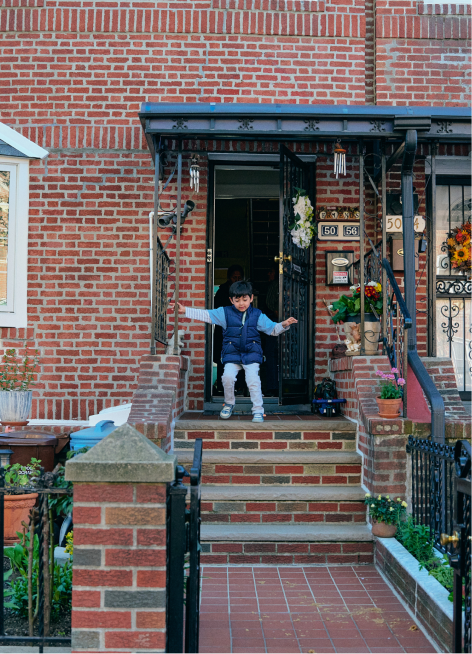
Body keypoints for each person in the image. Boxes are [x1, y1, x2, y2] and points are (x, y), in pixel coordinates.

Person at [170, 280, 297, 423]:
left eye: (245, 300)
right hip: (233, 354)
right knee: (227, 378)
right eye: (237, 300)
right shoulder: (225, 313)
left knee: (253, 381)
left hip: (251, 354)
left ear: (251, 298)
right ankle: (229, 403)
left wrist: (284, 324)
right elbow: (206, 315)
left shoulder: (257, 315)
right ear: (231, 300)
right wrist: (185, 310)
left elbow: (272, 329)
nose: (241, 303)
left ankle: (258, 410)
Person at [213, 264, 244, 395]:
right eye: (234, 277)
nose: (236, 280)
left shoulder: (244, 291)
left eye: (239, 277)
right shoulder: (222, 291)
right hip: (224, 330)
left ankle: (240, 387)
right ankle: (222, 387)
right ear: (229, 278)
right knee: (223, 357)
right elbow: (216, 309)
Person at [264, 263, 279, 396]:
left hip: (274, 321)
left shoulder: (274, 286)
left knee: (270, 354)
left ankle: (272, 387)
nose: (268, 274)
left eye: (271, 271)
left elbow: (270, 305)